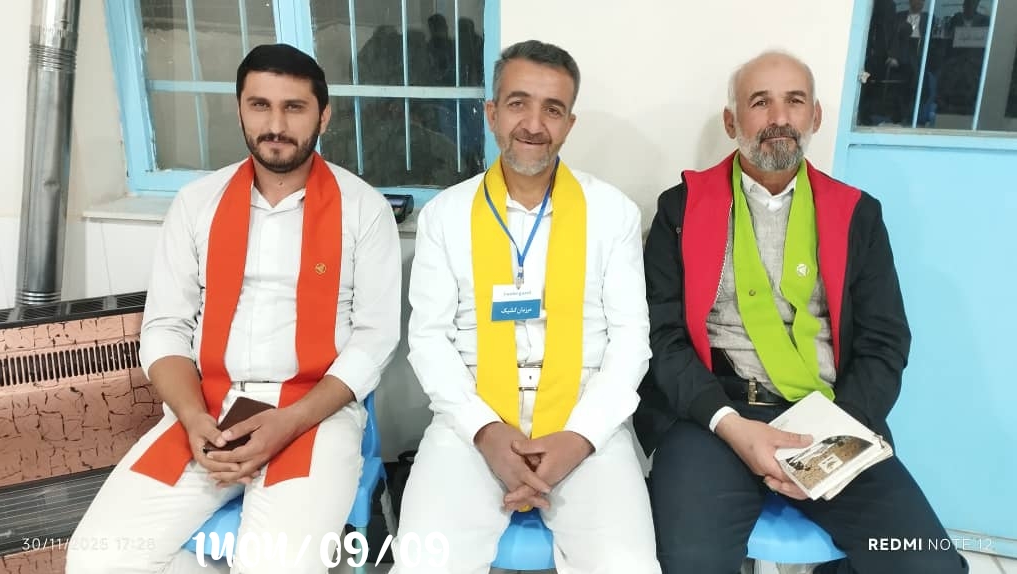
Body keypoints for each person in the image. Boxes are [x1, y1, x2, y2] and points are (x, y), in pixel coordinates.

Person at [66, 43, 401, 574]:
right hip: (208, 408)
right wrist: (192, 416)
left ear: (323, 115)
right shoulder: (198, 203)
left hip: (312, 414)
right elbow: (166, 328)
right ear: (240, 109)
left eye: (294, 107)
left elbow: (375, 339)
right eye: (260, 105)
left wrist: (288, 423)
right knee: (96, 560)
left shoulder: (363, 209)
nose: (276, 125)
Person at [634, 50, 969, 574]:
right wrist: (728, 423)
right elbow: (662, 337)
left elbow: (884, 341)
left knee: (927, 565)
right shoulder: (681, 208)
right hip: (714, 416)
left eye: (794, 101)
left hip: (831, 414)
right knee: (692, 562)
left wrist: (836, 438)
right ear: (731, 122)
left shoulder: (856, 214)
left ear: (815, 116)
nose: (779, 118)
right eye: (759, 103)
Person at [394, 39, 660, 573]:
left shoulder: (613, 214)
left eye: (552, 109)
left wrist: (580, 437)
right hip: (472, 420)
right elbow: (428, 339)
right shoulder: (446, 215)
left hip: (585, 418)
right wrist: (486, 432)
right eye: (518, 103)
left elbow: (632, 341)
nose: (534, 124)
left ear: (569, 123)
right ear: (492, 113)